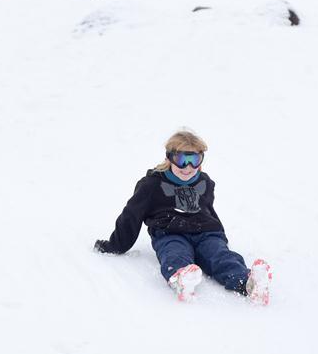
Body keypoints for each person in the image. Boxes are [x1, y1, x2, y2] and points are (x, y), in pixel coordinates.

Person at [94, 130, 271, 304]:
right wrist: (116, 245)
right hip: (170, 232)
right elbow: (131, 215)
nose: (188, 167)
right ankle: (181, 277)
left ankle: (248, 283)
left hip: (206, 232)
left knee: (219, 255)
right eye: (181, 160)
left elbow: (208, 210)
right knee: (174, 253)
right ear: (169, 158)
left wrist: (220, 236)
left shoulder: (204, 182)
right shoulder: (152, 185)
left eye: (194, 160)